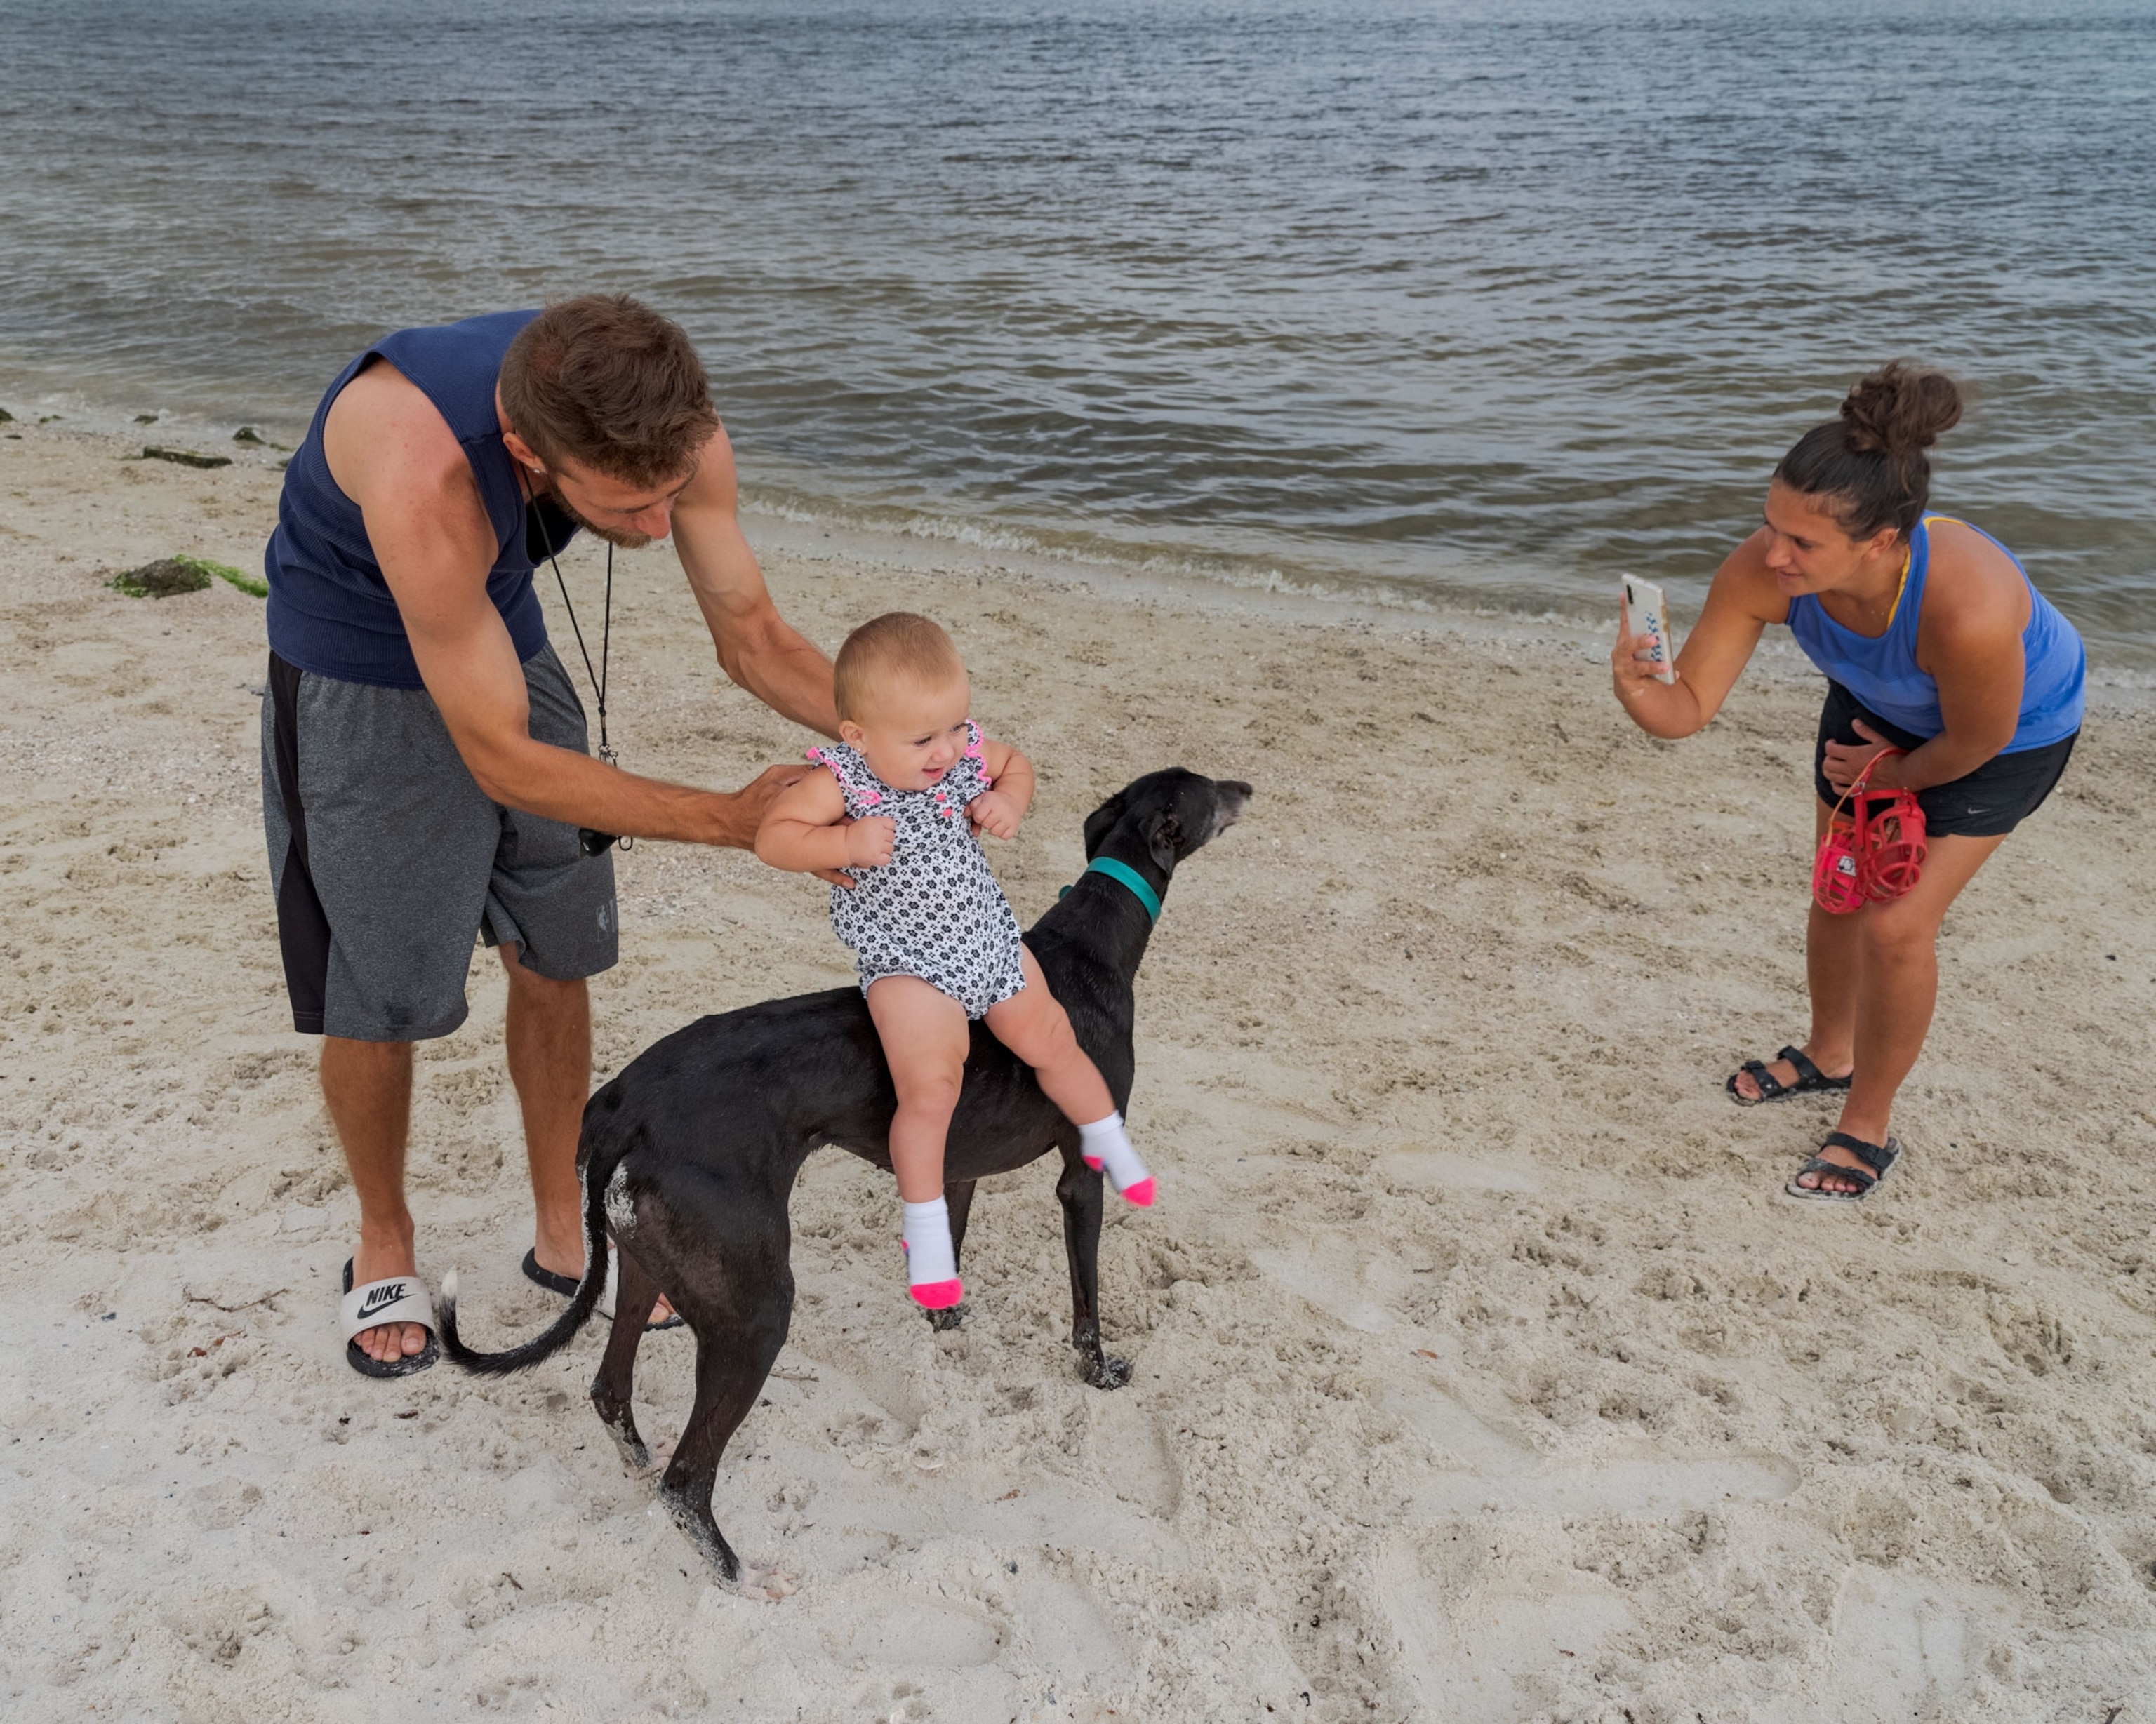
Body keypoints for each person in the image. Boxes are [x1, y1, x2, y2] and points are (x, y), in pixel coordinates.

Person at [261, 295, 841, 1375]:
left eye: (675, 494)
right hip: (359, 666)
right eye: (633, 507)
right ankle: (384, 1234)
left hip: (495, 630)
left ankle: (563, 1224)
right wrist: (728, 818)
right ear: (529, 450)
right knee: (381, 990)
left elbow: (757, 639)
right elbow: (504, 760)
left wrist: (929, 737)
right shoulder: (420, 467)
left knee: (557, 941)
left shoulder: (671, 424)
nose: (663, 525)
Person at [1610, 362, 2084, 1203]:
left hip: (2008, 734)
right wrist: (1639, 688)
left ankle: (1866, 1125)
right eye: (1770, 526)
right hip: (1879, 712)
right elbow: (1685, 710)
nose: (1773, 554)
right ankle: (1831, 1053)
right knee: (1839, 890)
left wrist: (1895, 773)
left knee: (1896, 926)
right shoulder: (1764, 572)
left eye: (1803, 543)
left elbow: (1982, 735)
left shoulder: (1964, 605)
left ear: (1883, 542)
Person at [754, 613, 1153, 1309]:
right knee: (931, 1090)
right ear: (857, 737)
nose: (946, 751)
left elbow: (1013, 761)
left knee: (1053, 1037)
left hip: (987, 938)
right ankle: (927, 1229)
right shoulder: (843, 783)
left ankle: (1105, 1137)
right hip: (911, 966)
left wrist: (1007, 800)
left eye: (956, 725)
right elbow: (775, 839)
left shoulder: (961, 753)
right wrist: (840, 847)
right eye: (921, 739)